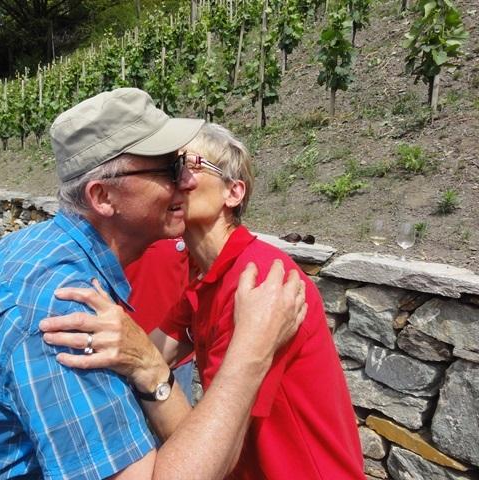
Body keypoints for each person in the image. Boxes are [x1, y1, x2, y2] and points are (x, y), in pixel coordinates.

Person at [0, 88, 307, 479]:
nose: (186, 181)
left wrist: (149, 362)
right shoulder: (63, 307)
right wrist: (251, 352)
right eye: (170, 169)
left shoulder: (35, 247)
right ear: (103, 196)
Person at [41, 123, 365, 479]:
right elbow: (147, 350)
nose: (175, 181)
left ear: (233, 192)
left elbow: (212, 450)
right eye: (170, 170)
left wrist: (148, 365)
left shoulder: (258, 282)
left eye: (189, 165)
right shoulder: (206, 281)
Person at [125, 238, 196, 404]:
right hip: (125, 352)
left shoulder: (184, 229)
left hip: (174, 356)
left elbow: (196, 279)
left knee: (179, 420)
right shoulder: (114, 229)